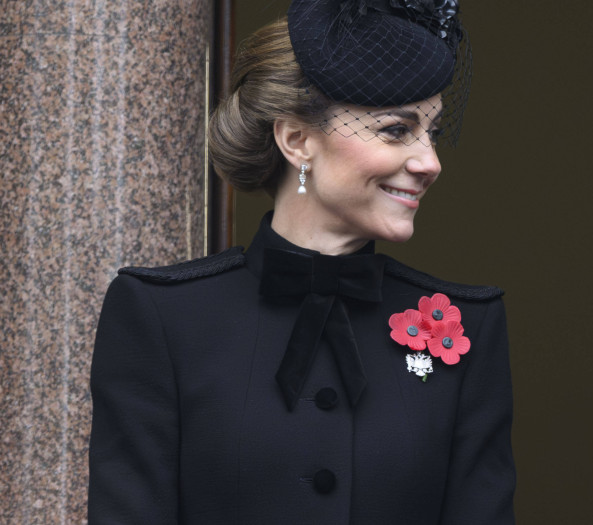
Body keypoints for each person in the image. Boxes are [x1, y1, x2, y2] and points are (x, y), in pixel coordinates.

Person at [88, 1, 515, 523]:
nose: (430, 162)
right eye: (396, 130)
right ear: (297, 140)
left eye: (433, 132)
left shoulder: (469, 327)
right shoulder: (162, 318)